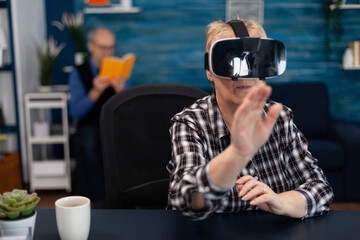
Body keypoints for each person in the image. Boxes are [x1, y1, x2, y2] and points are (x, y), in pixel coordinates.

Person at [167, 18, 334, 220]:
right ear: (210, 71)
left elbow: (321, 189)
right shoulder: (190, 123)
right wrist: (237, 154)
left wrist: (281, 202)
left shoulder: (279, 118)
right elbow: (189, 203)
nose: (245, 74)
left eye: (254, 62)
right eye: (231, 62)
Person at [69, 28, 127, 208]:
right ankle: (98, 198)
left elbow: (129, 109)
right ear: (91, 46)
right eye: (103, 47)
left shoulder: (119, 70)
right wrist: (95, 91)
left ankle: (124, 194)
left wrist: (121, 91)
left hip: (113, 123)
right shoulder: (78, 72)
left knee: (131, 137)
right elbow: (76, 112)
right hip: (89, 124)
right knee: (89, 142)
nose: (108, 53)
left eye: (111, 48)